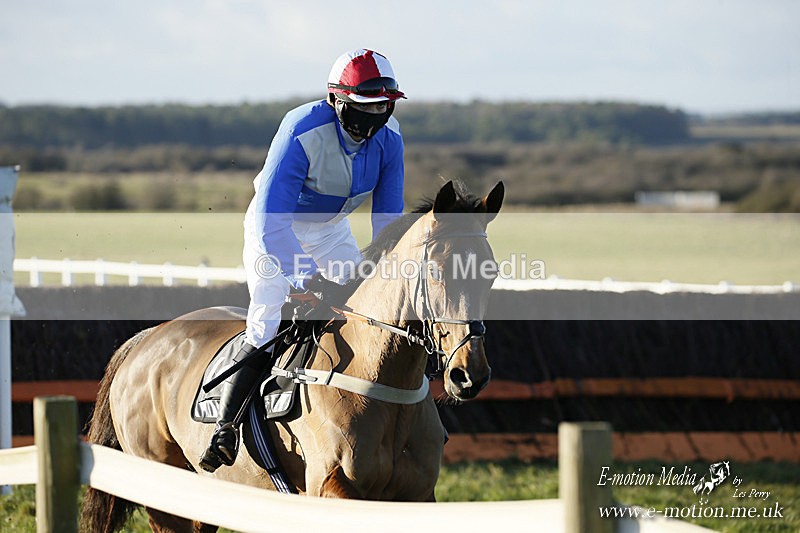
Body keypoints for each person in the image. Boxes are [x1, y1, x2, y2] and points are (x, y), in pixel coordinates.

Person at [199, 49, 406, 472]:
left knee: (366, 308)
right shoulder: (300, 128)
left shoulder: (392, 138)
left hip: (331, 231)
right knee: (268, 319)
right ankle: (225, 427)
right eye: (364, 108)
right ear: (337, 100)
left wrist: (388, 273)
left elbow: (388, 221)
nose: (373, 119)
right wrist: (307, 278)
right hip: (276, 227)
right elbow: (270, 221)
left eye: (382, 108)